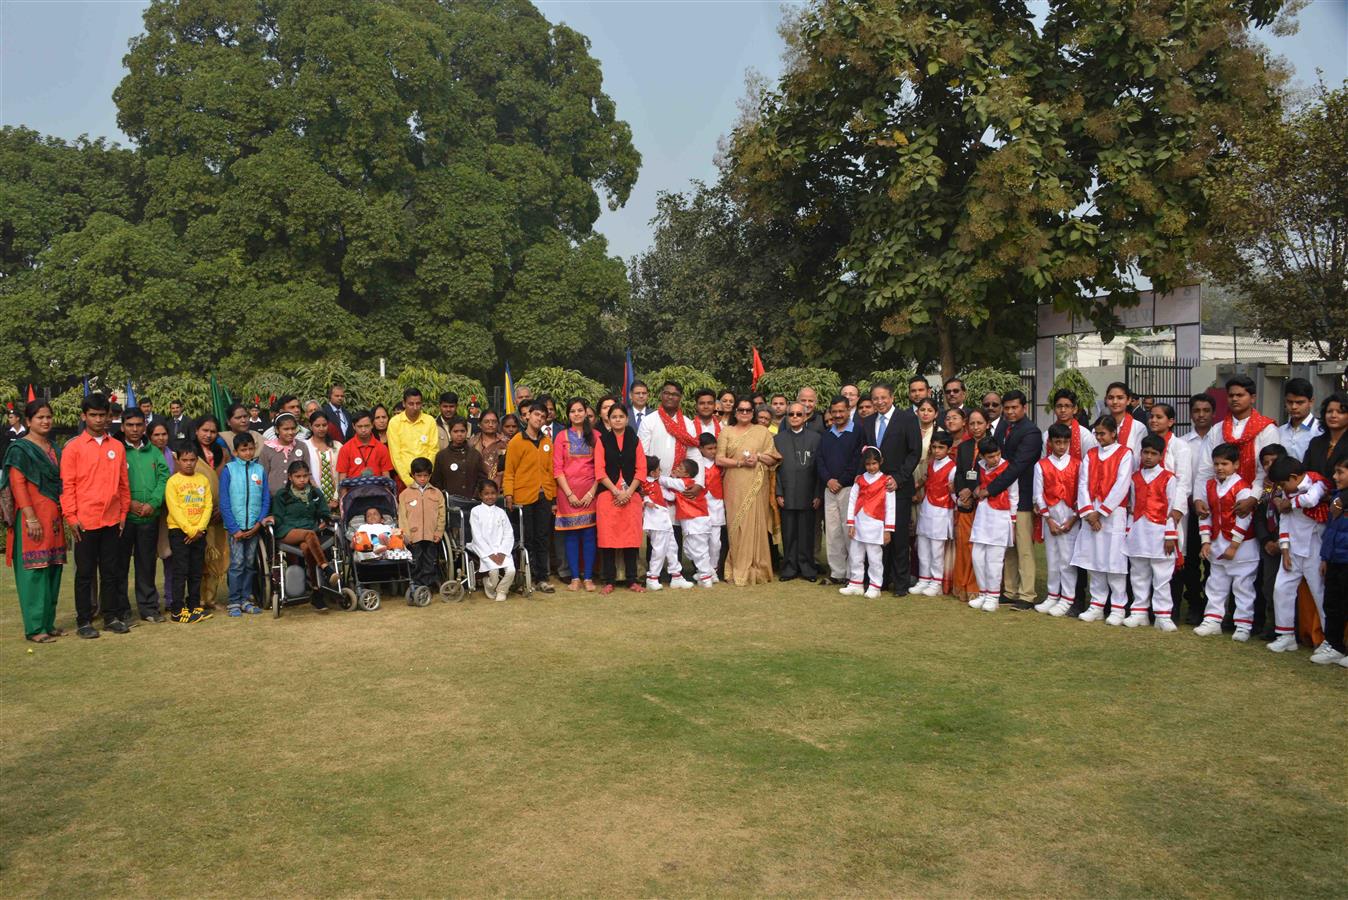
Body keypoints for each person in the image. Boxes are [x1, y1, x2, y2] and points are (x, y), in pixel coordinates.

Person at [61, 393, 132, 637]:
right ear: (84, 416)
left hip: (112, 520)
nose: (99, 420)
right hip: (84, 521)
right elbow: (67, 486)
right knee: (85, 574)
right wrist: (71, 517)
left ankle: (111, 617)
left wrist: (123, 513)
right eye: (94, 415)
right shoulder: (73, 448)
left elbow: (124, 485)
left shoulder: (117, 447)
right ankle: (84, 621)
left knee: (111, 571)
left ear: (109, 417)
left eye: (103, 415)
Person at [1, 401, 66, 642]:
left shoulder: (54, 449)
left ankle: (48, 624)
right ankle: (35, 628)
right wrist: (30, 518)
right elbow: (18, 484)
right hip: (32, 518)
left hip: (54, 518)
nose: (45, 421)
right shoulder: (20, 449)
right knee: (34, 572)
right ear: (28, 421)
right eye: (40, 417)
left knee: (53, 569)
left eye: (48, 416)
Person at [856, 382, 922, 596]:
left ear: (892, 397)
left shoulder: (907, 419)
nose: (879, 402)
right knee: (877, 536)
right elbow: (865, 454)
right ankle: (879, 581)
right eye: (875, 398)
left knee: (899, 535)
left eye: (883, 397)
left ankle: (901, 583)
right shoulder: (867, 421)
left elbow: (915, 452)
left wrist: (899, 478)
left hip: (898, 487)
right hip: (874, 490)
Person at [1265, 455, 1331, 657]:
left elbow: (1311, 500)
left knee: (1320, 594)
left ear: (1294, 477)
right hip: (1292, 549)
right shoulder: (1288, 492)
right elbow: (1284, 522)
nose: (1283, 488)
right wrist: (1284, 549)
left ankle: (1331, 641)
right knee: (1281, 589)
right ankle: (1285, 635)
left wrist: (1288, 503)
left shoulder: (1316, 482)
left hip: (1314, 548)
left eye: (1284, 484)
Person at [1073, 416, 1135, 623]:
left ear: (1113, 433)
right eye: (1096, 433)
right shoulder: (1090, 454)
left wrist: (1101, 512)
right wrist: (1090, 512)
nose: (1099, 437)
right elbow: (1083, 483)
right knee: (1094, 559)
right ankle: (1097, 604)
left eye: (1103, 433)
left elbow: (1122, 484)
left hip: (1113, 514)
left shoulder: (1125, 454)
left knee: (1114, 561)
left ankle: (1118, 607)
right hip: (1091, 511)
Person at [1195, 443, 1259, 640]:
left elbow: (1244, 518)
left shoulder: (1243, 488)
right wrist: (1205, 541)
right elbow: (1205, 514)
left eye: (1225, 463)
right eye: (1216, 464)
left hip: (1242, 547)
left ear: (1236, 464)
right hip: (1218, 543)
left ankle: (1243, 625)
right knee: (1216, 583)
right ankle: (1213, 620)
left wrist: (1234, 546)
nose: (1220, 468)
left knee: (1243, 586)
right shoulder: (1210, 486)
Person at [717, 396, 781, 585]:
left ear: (753, 413)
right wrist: (740, 463)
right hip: (734, 483)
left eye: (748, 410)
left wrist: (758, 457)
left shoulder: (762, 432)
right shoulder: (726, 431)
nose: (744, 413)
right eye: (741, 410)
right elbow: (719, 459)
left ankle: (758, 569)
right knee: (736, 526)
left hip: (758, 484)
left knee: (756, 524)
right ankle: (737, 569)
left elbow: (774, 458)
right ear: (735, 412)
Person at [1193, 375, 1280, 510]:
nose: (1234, 399)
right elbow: (1206, 469)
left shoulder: (1267, 429)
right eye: (1231, 395)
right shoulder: (1217, 430)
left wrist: (1252, 498)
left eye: (1240, 395)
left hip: (1259, 501)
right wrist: (1199, 498)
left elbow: (1266, 469)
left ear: (1252, 398)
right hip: (1220, 501)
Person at [1123, 434, 1181, 629]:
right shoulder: (1134, 478)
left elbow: (1172, 509)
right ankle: (1139, 612)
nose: (1148, 457)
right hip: (1139, 531)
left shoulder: (1168, 478)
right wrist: (1128, 532)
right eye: (1145, 452)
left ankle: (1163, 615)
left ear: (1161, 455)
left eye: (1153, 453)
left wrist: (1170, 535)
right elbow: (1132, 506)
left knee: (1162, 576)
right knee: (1139, 574)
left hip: (1159, 532)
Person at [118, 409, 170, 623]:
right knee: (119, 566)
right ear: (122, 427)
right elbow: (111, 481)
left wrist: (153, 502)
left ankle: (149, 608)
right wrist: (128, 503)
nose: (135, 429)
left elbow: (164, 478)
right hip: (123, 519)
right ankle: (121, 610)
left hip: (149, 517)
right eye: (130, 425)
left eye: (139, 425)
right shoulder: (117, 450)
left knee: (147, 564)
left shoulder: (154, 452)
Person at [502, 402, 556, 593]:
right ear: (528, 416)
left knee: (543, 537)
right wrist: (508, 493)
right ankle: (528, 578)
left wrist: (553, 498)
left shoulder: (547, 442)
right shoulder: (517, 441)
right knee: (527, 538)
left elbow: (551, 471)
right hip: (524, 496)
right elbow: (510, 471)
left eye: (543, 416)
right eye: (536, 415)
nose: (539, 419)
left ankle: (543, 578)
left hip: (544, 495)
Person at [271, 460, 339, 608]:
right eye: (298, 476)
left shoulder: (315, 493)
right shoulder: (282, 495)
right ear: (290, 477)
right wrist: (271, 519)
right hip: (287, 531)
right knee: (309, 535)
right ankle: (326, 568)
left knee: (307, 546)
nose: (302, 479)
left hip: (310, 530)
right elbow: (277, 516)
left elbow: (324, 512)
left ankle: (316, 593)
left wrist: (326, 520)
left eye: (305, 476)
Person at [595, 405, 648, 593]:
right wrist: (616, 492)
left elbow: (642, 470)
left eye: (621, 416)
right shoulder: (602, 441)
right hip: (607, 495)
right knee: (608, 539)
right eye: (614, 416)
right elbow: (599, 470)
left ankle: (632, 580)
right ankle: (609, 580)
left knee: (631, 539)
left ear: (627, 419)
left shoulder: (635, 441)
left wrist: (629, 492)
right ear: (608, 420)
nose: (617, 419)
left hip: (631, 495)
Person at [1175, 393, 1218, 625]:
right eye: (1197, 411)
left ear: (1213, 413)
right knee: (1190, 559)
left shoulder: (1220, 438)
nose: (1201, 415)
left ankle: (1213, 605)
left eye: (1206, 411)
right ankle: (1193, 602)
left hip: (1216, 509)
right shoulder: (1183, 443)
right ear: (1191, 414)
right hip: (1190, 509)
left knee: (1213, 560)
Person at [1033, 423, 1081, 617]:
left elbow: (1081, 491)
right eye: (1057, 442)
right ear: (1050, 443)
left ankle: (1067, 598)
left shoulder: (1078, 464)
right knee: (1052, 559)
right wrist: (1048, 519)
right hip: (1051, 517)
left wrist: (1073, 518)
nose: (1061, 446)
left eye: (1065, 442)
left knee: (1067, 560)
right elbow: (1038, 493)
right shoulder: (1041, 465)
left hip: (1070, 517)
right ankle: (1053, 595)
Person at [219, 431, 270, 616]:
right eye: (243, 449)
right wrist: (234, 528)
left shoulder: (260, 470)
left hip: (254, 527)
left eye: (250, 448)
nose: (248, 452)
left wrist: (259, 523)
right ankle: (233, 601)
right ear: (235, 452)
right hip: (236, 529)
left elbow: (265, 499)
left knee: (250, 564)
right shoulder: (229, 470)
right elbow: (224, 501)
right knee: (237, 564)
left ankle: (246, 599)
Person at [552, 398, 598, 592]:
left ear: (586, 413)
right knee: (571, 536)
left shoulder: (595, 436)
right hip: (567, 493)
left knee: (589, 535)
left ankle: (588, 577)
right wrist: (569, 494)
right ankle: (574, 578)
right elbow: (557, 468)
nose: (577, 414)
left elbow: (600, 468)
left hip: (590, 493)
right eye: (573, 411)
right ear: (568, 414)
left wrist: (591, 492)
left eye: (580, 410)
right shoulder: (561, 436)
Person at [164, 443, 213, 623]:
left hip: (199, 532)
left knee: (196, 571)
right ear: (178, 460)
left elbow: (208, 505)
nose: (189, 464)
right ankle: (177, 610)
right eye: (185, 460)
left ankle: (194, 606)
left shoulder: (203, 480)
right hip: (179, 532)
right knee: (180, 570)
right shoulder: (173, 481)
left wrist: (199, 528)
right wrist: (190, 530)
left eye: (192, 460)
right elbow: (174, 508)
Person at [774, 401, 822, 581]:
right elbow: (775, 470)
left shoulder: (815, 438)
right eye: (791, 414)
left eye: (798, 414)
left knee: (806, 533)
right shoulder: (778, 439)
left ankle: (807, 568)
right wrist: (778, 492)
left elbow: (819, 469)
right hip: (786, 493)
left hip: (808, 494)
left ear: (805, 417)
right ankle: (789, 568)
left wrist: (818, 494)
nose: (794, 417)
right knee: (789, 533)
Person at [969, 437, 1016, 612]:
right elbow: (973, 482)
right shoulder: (979, 466)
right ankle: (983, 593)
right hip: (983, 515)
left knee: (994, 559)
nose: (995, 459)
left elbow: (1014, 495)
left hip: (1001, 516)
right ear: (982, 456)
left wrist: (1013, 521)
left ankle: (993, 596)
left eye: (997, 455)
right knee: (978, 556)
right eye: (990, 457)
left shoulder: (1007, 468)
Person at [840, 446, 894, 599]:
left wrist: (888, 529)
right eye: (868, 464)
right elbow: (852, 501)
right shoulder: (860, 480)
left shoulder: (887, 481)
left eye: (874, 463)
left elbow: (890, 506)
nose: (871, 467)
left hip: (876, 525)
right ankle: (856, 584)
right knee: (855, 556)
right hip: (859, 523)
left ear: (881, 462)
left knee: (874, 557)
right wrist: (851, 523)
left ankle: (875, 586)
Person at [189, 416, 231, 608]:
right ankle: (197, 598)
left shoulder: (222, 453)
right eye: (205, 430)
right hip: (196, 514)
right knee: (200, 557)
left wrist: (222, 507)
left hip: (219, 513)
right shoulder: (189, 454)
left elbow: (228, 482)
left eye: (213, 432)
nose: (208, 435)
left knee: (217, 554)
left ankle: (211, 599)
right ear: (196, 430)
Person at [818, 396, 859, 586]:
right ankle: (837, 572)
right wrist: (829, 480)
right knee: (832, 531)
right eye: (834, 412)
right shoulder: (826, 434)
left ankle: (853, 573)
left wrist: (840, 481)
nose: (837, 415)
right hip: (829, 488)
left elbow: (857, 462)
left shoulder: (858, 432)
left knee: (848, 529)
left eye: (841, 411)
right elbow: (820, 461)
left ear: (849, 410)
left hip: (848, 488)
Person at [950, 408, 988, 603]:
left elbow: (991, 472)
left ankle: (977, 586)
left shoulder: (992, 445)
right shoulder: (964, 447)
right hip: (965, 503)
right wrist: (962, 491)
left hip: (984, 503)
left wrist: (973, 491)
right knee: (964, 544)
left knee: (979, 545)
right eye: (972, 424)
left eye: (979, 423)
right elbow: (959, 473)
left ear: (987, 425)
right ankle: (962, 584)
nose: (975, 427)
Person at [913, 431, 956, 596]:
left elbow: (953, 494)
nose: (937, 450)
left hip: (942, 511)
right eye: (934, 447)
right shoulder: (930, 465)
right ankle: (923, 579)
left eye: (941, 447)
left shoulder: (952, 468)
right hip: (927, 508)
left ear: (948, 449)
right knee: (923, 546)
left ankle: (936, 582)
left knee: (936, 549)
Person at [399, 457, 445, 602]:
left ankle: (428, 586)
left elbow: (442, 515)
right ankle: (416, 586)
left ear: (430, 475)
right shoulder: (405, 494)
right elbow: (402, 517)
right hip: (414, 536)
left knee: (430, 561)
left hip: (431, 536)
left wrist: (439, 532)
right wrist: (406, 535)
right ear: (413, 475)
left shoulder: (436, 493)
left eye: (426, 475)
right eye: (419, 475)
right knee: (415, 562)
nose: (423, 478)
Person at [664, 458, 715, 587]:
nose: (676, 469)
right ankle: (707, 573)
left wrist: (654, 475)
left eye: (680, 468)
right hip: (697, 521)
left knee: (699, 551)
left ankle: (706, 577)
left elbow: (664, 481)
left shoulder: (683, 483)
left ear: (687, 474)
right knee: (690, 549)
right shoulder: (688, 483)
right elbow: (670, 495)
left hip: (695, 522)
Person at [1317, 458, 1348, 668]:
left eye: (1340, 472)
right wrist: (1325, 558)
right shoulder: (1336, 499)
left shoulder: (1341, 500)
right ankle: (1335, 646)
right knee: (1333, 604)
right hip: (1335, 561)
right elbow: (1330, 532)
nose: (1335, 477)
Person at [641, 455, 687, 590]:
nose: (660, 472)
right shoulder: (643, 484)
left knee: (673, 547)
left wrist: (673, 482)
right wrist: (647, 502)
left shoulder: (657, 483)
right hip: (655, 522)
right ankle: (652, 577)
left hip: (664, 521)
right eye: (658, 470)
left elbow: (670, 496)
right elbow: (641, 496)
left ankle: (676, 575)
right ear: (652, 472)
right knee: (659, 550)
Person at [468, 480, 516, 601]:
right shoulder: (476, 512)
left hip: (501, 548)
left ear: (497, 494)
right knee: (493, 571)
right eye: (486, 494)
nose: (490, 496)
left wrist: (503, 552)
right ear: (480, 495)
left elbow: (508, 533)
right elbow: (477, 536)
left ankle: (502, 591)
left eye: (493, 493)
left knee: (511, 571)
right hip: (483, 548)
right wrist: (490, 554)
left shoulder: (501, 512)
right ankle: (489, 586)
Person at [388, 388, 438, 485]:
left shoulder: (430, 421)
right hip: (403, 478)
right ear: (404, 403)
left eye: (418, 403)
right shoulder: (394, 422)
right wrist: (408, 480)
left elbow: (433, 450)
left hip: (426, 477)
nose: (415, 407)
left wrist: (425, 475)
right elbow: (395, 455)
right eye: (411, 404)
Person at [336, 410, 395, 487]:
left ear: (372, 425)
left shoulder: (382, 448)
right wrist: (343, 498)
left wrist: (387, 496)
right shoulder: (345, 448)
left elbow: (386, 476)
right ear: (353, 426)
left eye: (366, 426)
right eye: (359, 426)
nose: (363, 430)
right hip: (353, 494)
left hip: (377, 492)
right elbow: (342, 479)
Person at [433, 418, 486, 499]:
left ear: (467, 432)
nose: (459, 434)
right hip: (450, 502)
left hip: (472, 501)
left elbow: (482, 479)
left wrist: (475, 496)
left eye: (462, 431)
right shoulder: (442, 456)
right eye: (455, 431)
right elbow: (437, 482)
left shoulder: (475, 454)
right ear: (450, 432)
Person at [697, 432, 726, 579]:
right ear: (701, 448)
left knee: (716, 542)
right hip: (701, 504)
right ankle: (703, 569)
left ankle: (713, 568)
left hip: (716, 504)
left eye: (715, 448)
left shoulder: (720, 464)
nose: (713, 451)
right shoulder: (696, 462)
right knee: (702, 540)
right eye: (709, 448)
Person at [304, 410, 343, 516]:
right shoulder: (304, 446)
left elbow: (342, 473)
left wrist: (336, 498)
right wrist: (319, 498)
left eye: (324, 425)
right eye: (317, 425)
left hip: (337, 498)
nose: (321, 428)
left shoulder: (337, 446)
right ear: (310, 426)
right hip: (312, 497)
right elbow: (304, 473)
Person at [1304, 391, 1348, 481]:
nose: (1333, 415)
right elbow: (1305, 473)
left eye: (1340, 412)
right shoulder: (1315, 443)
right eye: (1329, 411)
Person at [262, 412, 309, 494]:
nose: (290, 432)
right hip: (274, 497)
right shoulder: (267, 448)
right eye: (286, 429)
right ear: (277, 430)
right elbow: (263, 474)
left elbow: (308, 471)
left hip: (297, 496)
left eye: (293, 428)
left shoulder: (302, 446)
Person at [1043, 389, 1096, 460]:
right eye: (1059, 406)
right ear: (1054, 409)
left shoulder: (1084, 434)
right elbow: (1043, 461)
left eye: (1067, 406)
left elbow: (1090, 462)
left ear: (1075, 409)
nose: (1063, 410)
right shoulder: (1047, 434)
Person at [470, 409, 508, 485]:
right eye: (486, 422)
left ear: (498, 424)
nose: (490, 425)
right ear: (480, 424)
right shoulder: (471, 443)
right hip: (476, 487)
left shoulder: (506, 443)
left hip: (500, 488)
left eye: (494, 422)